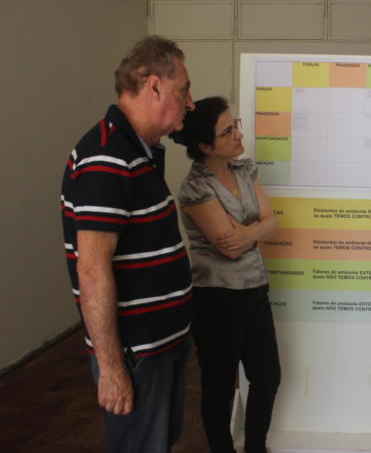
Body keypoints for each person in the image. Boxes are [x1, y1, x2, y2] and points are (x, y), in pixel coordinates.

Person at [60, 35, 195, 452]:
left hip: (160, 346)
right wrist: (112, 368)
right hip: (137, 354)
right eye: (184, 90)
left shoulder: (138, 152)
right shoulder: (108, 157)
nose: (190, 103)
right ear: (153, 86)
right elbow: (91, 269)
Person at [172, 96, 280, 453]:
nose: (238, 134)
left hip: (255, 288)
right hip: (216, 297)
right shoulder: (195, 187)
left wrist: (248, 232)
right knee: (219, 385)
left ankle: (256, 447)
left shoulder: (245, 170)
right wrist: (256, 231)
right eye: (227, 131)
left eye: (236, 126)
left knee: (267, 376)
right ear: (205, 146)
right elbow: (228, 248)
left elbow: (271, 223)